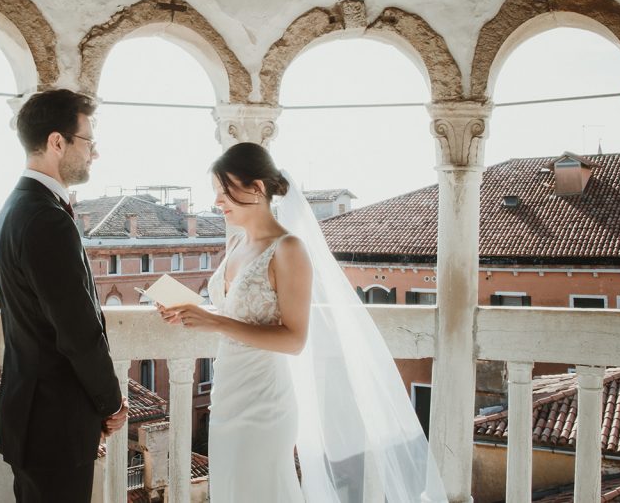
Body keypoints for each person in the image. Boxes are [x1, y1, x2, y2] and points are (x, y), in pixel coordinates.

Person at [161, 142, 446, 502]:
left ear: (257, 188)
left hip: (265, 399)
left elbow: (294, 339)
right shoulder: (235, 245)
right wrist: (192, 314)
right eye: (216, 193)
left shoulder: (289, 248)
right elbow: (236, 316)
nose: (218, 201)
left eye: (225, 191)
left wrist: (216, 324)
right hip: (227, 395)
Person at [0, 89, 128, 502]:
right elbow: (76, 329)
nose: (95, 155)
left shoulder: (13, 209)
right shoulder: (46, 218)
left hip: (31, 414)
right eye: (89, 142)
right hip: (54, 420)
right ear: (57, 142)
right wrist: (111, 402)